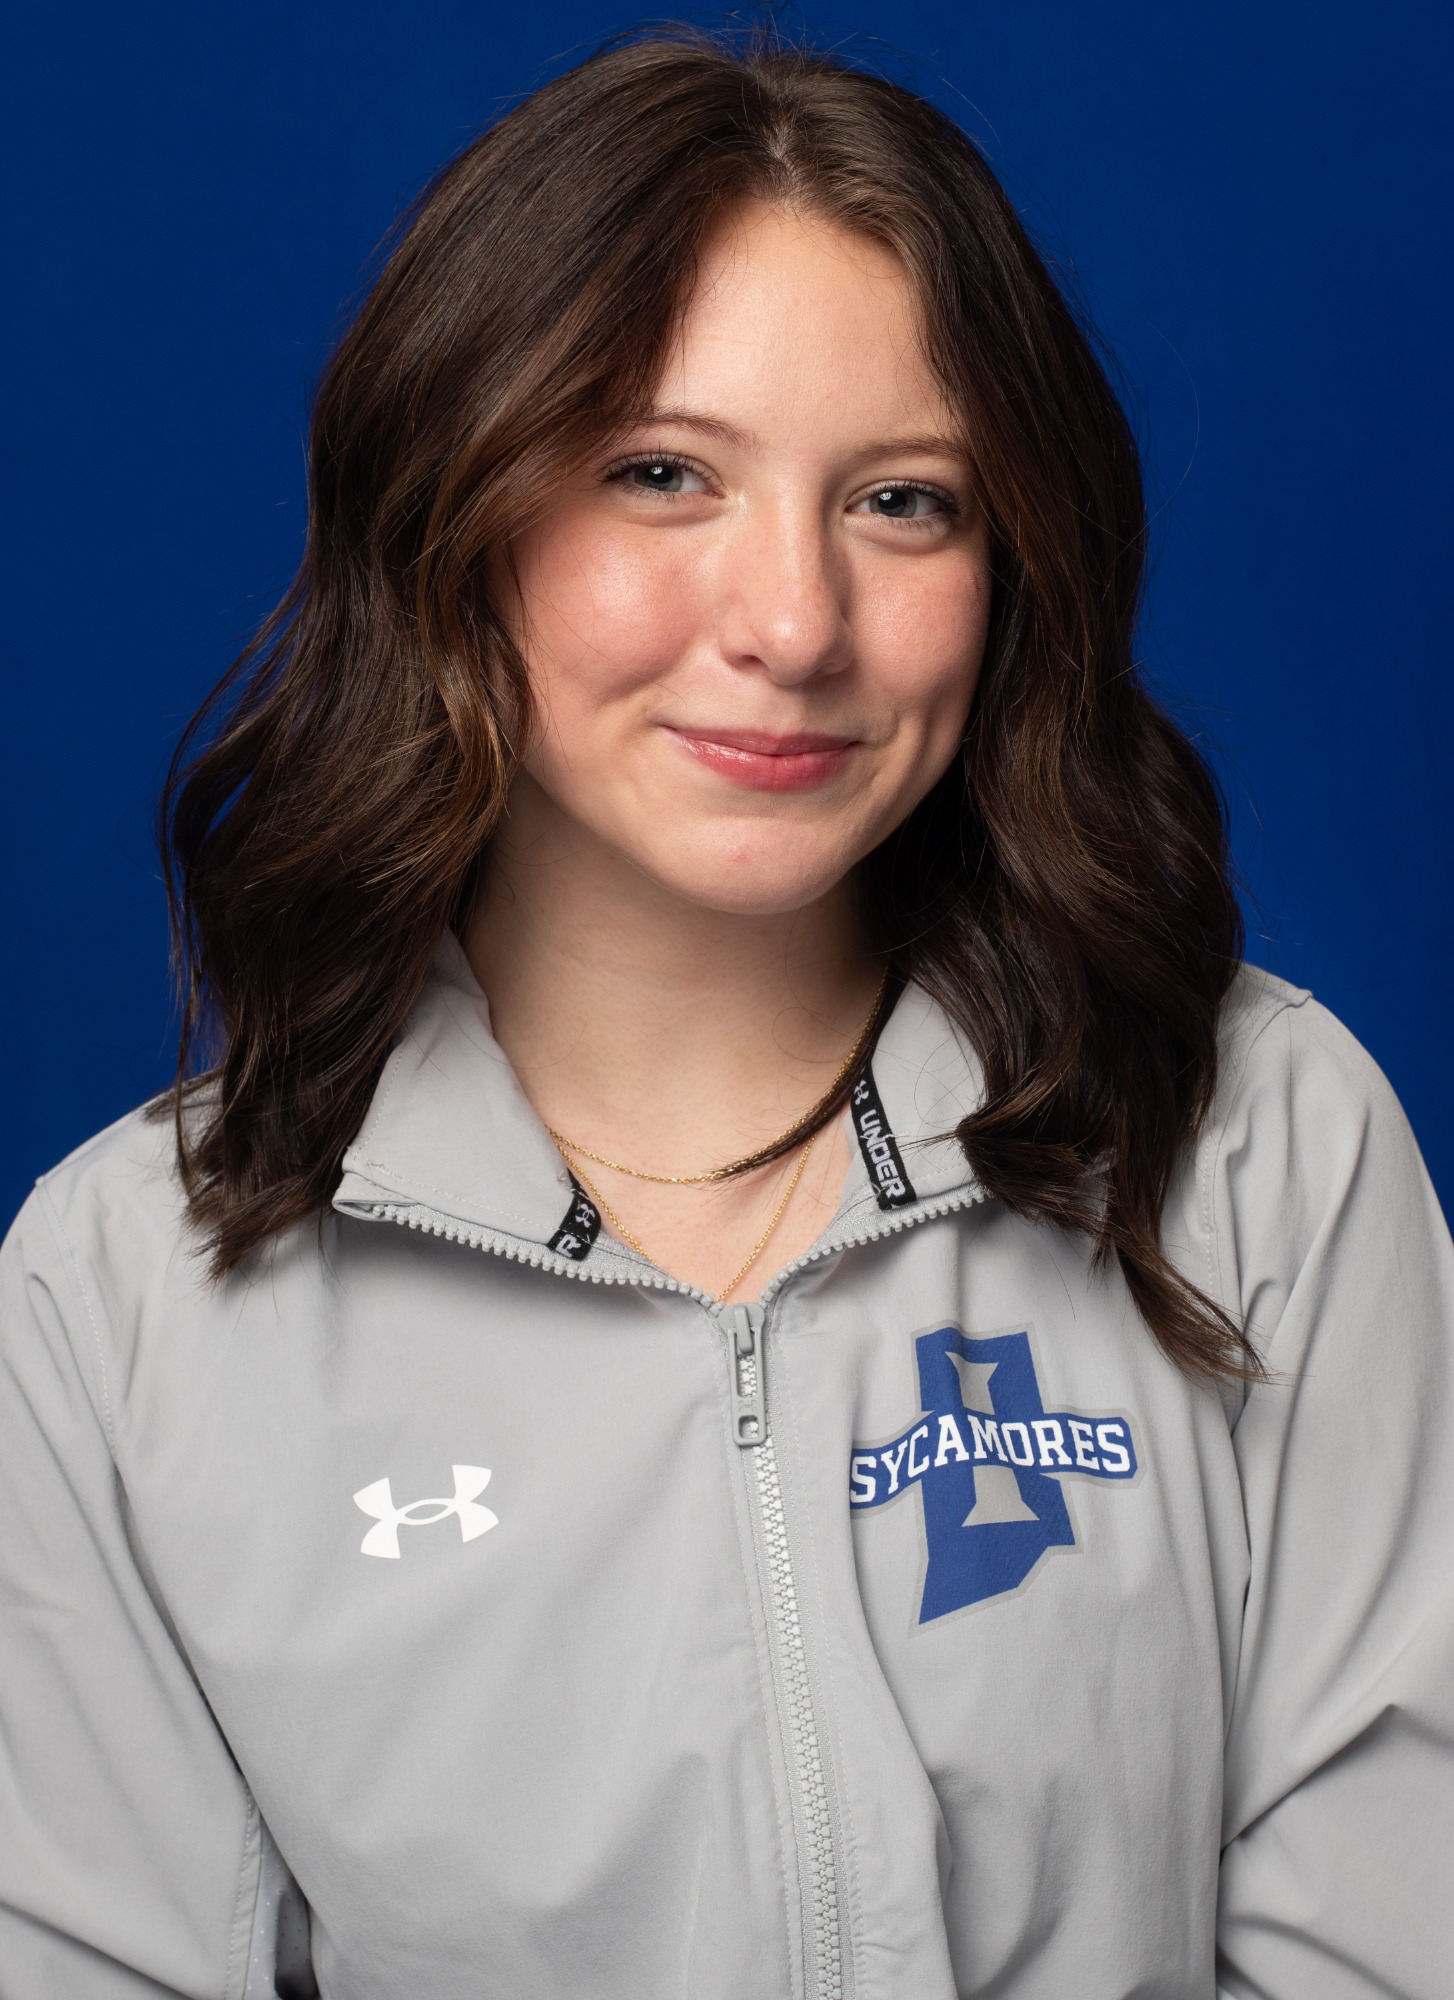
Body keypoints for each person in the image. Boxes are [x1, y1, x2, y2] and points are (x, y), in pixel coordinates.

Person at [1, 28, 1450, 1999]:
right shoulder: (120, 1307)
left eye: (905, 501)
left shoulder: (1261, 1143)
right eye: (661, 474)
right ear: (455, 512)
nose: (791, 622)